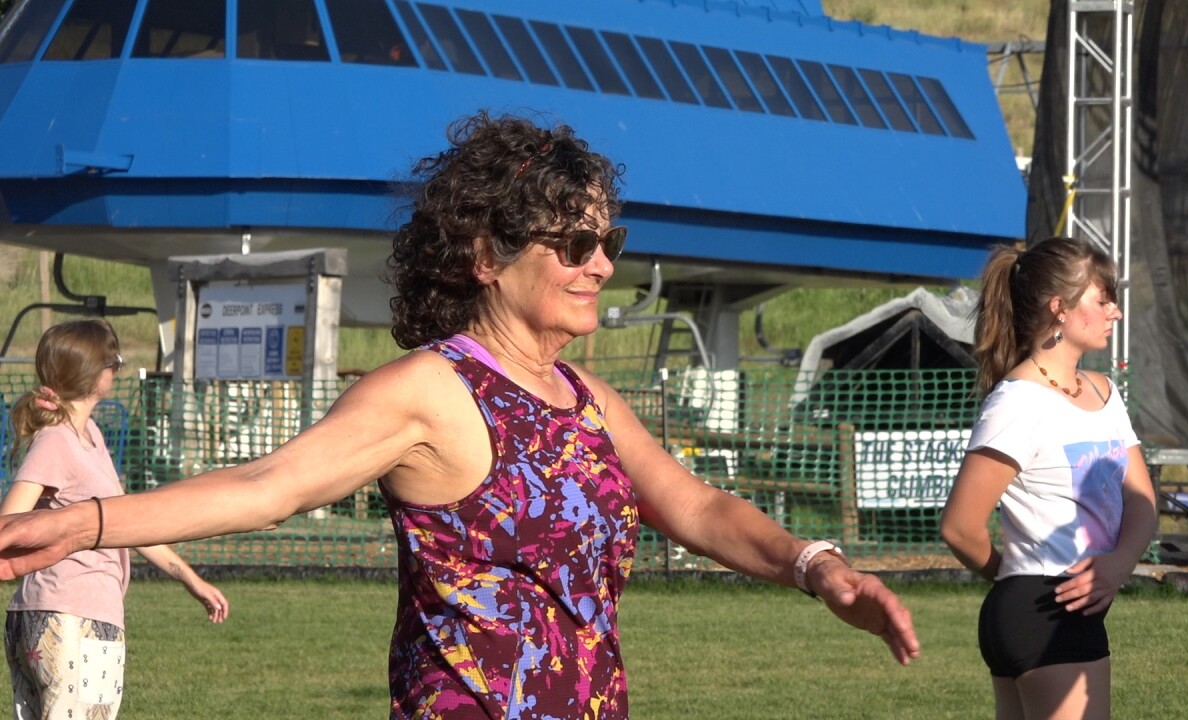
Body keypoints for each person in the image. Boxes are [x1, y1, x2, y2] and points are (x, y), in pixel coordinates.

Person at [0, 112, 919, 718]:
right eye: (574, 241)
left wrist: (817, 567)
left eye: (610, 240)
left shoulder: (586, 398)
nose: (601, 263)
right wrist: (87, 522)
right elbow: (265, 486)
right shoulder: (431, 390)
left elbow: (703, 510)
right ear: (488, 254)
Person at [939, 237, 1156, 720]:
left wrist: (1119, 563)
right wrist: (1013, 576)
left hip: (1065, 611)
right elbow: (959, 527)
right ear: (1060, 309)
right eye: (1103, 299)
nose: (1115, 312)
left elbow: (1142, 498)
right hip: (1043, 608)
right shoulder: (1018, 402)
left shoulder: (1103, 391)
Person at [0, 319, 229, 720]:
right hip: (69, 616)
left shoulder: (90, 437)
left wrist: (190, 579)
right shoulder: (57, 440)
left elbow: (126, 521)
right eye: (115, 360)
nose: (118, 368)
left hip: (73, 616)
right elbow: (8, 523)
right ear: (94, 374)